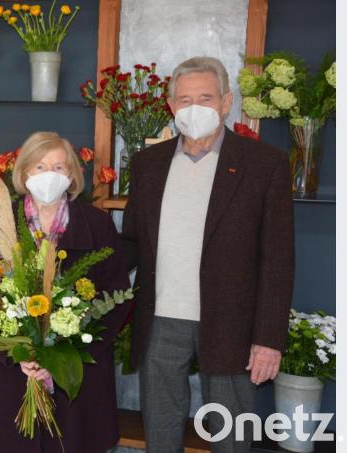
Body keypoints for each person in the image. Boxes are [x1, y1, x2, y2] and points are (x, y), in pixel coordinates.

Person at [120, 56, 295, 453]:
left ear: (226, 101)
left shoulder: (263, 164)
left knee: (231, 436)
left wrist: (269, 339)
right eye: (184, 99)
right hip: (161, 317)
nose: (193, 107)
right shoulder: (148, 164)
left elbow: (278, 260)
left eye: (205, 97)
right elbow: (131, 241)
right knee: (160, 432)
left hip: (231, 323)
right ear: (170, 106)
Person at [0, 132, 132, 453]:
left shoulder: (98, 225)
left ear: (72, 176)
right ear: (24, 174)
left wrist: (68, 355)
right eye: (39, 166)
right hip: (10, 377)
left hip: (77, 379)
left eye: (59, 167)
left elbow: (117, 299)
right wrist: (17, 353)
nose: (49, 175)